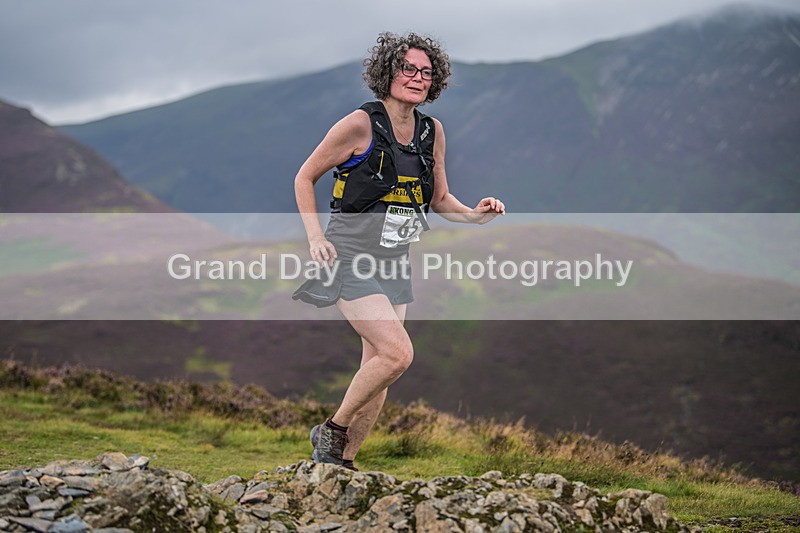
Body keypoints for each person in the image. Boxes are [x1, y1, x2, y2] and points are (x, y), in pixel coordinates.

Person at [292, 32, 505, 471]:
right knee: (398, 353)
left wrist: (475, 214)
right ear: (387, 72)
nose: (417, 78)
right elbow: (304, 177)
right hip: (348, 257)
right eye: (408, 68)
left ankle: (341, 464)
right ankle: (332, 429)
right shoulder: (359, 124)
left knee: (379, 368)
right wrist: (316, 237)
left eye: (426, 72)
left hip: (394, 260)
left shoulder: (432, 131)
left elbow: (439, 199)